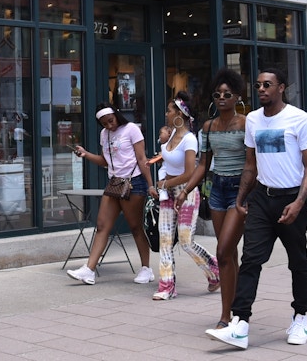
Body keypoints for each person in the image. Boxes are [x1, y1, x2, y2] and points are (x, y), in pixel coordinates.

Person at [206, 68, 307, 350]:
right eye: (258, 85)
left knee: (298, 261)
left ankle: (300, 316)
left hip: (291, 199)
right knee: (251, 260)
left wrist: (299, 201)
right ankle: (240, 323)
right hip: (261, 200)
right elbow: (250, 165)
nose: (262, 89)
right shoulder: (254, 120)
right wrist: (241, 199)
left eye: (268, 85)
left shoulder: (299, 118)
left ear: (281, 87)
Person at [177, 68, 246, 329]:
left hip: (240, 190)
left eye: (227, 94)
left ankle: (227, 315)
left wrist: (248, 194)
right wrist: (185, 191)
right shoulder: (207, 127)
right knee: (228, 253)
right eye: (217, 94)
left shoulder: (246, 124)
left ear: (237, 97)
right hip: (217, 189)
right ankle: (233, 308)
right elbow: (203, 165)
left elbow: (253, 162)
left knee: (223, 250)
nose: (222, 98)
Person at [68, 105, 157, 285]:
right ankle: (89, 270)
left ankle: (146, 269)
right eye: (104, 123)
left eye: (111, 121)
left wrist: (150, 185)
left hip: (134, 182)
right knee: (101, 226)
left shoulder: (131, 129)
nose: (109, 126)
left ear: (116, 115)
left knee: (135, 227)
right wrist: (86, 154)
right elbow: (105, 161)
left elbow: (142, 159)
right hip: (114, 183)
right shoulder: (104, 134)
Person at [152, 92, 220, 300]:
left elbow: (191, 173)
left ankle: (213, 268)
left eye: (170, 110)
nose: (166, 113)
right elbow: (167, 161)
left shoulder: (189, 139)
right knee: (164, 239)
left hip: (187, 192)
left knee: (185, 240)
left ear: (180, 114)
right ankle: (167, 285)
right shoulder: (170, 135)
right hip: (167, 193)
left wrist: (167, 183)